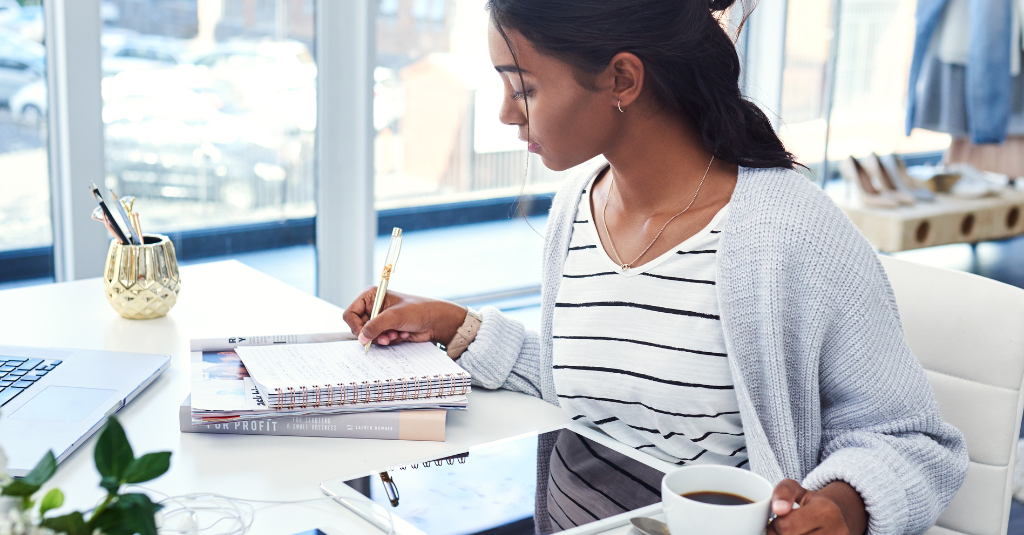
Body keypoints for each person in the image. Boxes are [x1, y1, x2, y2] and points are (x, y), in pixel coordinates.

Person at [344, 1, 969, 533]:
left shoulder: (787, 232)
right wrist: (460, 328)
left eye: (524, 87)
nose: (508, 113)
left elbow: (914, 441)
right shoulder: (577, 207)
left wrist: (843, 505)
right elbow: (608, 389)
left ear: (622, 78)